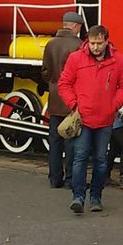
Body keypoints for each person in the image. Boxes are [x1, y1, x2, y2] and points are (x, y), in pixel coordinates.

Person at [57, 25, 123, 214]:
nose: (95, 47)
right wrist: (74, 104)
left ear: (107, 41)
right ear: (87, 41)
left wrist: (113, 105)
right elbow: (64, 83)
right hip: (83, 117)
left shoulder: (118, 60)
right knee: (80, 157)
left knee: (100, 160)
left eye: (99, 43)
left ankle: (96, 196)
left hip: (105, 118)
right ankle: (78, 197)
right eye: (92, 43)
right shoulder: (76, 58)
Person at [42, 11, 85, 189]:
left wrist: (53, 84)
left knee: (54, 140)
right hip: (71, 101)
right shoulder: (80, 45)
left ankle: (54, 178)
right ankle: (70, 179)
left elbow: (45, 72)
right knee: (71, 140)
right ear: (76, 27)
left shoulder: (50, 44)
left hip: (54, 99)